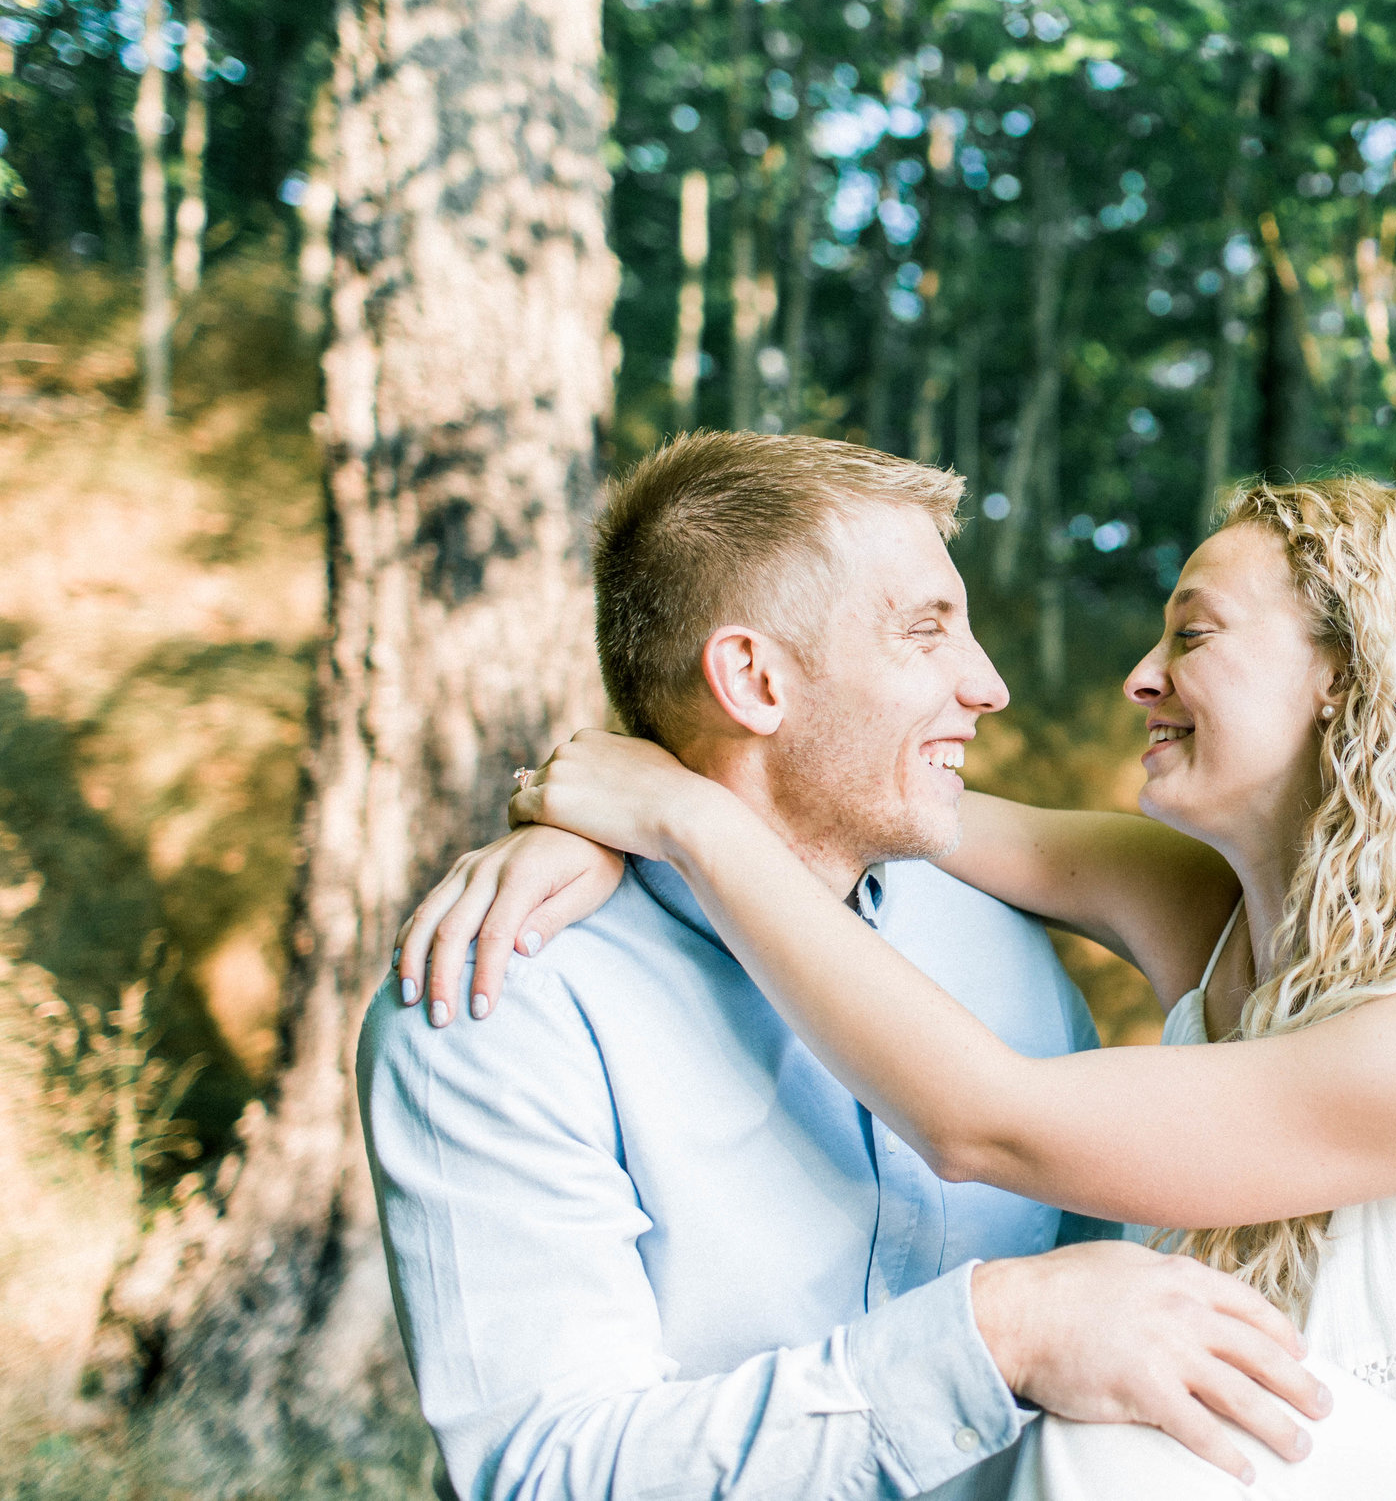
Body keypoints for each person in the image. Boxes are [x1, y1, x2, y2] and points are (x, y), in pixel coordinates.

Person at [410, 469, 1396, 1499]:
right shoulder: (1196, 907)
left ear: (1343, 673)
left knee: (1116, 1444)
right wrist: (611, 814)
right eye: (926, 630)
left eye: (1193, 634)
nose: (1134, 674)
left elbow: (985, 1118)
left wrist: (680, 810)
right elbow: (858, 798)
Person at [357, 433, 1330, 1501]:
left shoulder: (1000, 943)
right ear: (754, 679)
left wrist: (673, 810)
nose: (989, 684)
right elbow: (546, 1472)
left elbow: (1132, 1321)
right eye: (925, 632)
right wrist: (994, 1335)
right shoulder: (502, 1000)